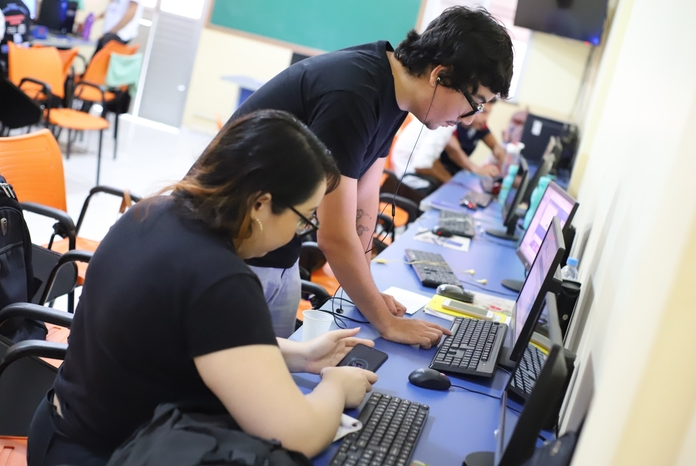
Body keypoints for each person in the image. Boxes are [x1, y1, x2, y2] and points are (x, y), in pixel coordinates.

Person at [27, 110, 379, 466]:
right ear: (261, 204)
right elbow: (296, 435)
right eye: (304, 219)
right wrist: (335, 387)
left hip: (56, 431)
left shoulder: (152, 213)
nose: (297, 234)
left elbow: (179, 338)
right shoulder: (221, 278)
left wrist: (300, 356)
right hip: (111, 455)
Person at [224, 6, 514, 347]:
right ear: (440, 76)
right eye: (474, 102)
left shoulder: (394, 92)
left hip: (278, 253)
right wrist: (386, 322)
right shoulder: (354, 93)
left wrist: (368, 292)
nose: (468, 119)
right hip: (232, 253)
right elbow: (333, 233)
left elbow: (364, 194)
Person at [437, 100, 507, 178]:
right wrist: (478, 169)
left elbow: (495, 146)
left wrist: (502, 162)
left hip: (456, 173)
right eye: (483, 112)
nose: (486, 118)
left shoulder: (480, 126)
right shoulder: (452, 123)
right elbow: (453, 150)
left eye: (489, 113)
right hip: (436, 171)